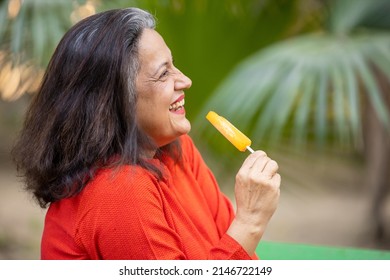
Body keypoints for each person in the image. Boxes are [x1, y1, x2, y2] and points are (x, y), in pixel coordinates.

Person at [12, 7, 281, 260]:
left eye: (173, 65)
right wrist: (250, 222)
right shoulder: (120, 192)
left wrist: (245, 226)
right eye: (164, 74)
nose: (185, 80)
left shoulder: (178, 147)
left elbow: (229, 246)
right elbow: (239, 240)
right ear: (115, 101)